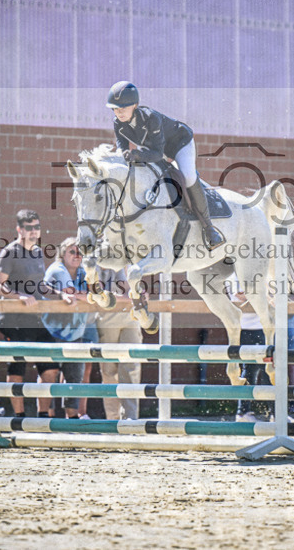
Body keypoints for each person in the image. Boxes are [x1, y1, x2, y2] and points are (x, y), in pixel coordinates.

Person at [107, 80, 225, 250]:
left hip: (179, 143)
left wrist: (137, 155)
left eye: (123, 108)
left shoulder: (151, 118)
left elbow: (156, 153)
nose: (119, 112)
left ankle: (209, 229)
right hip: (152, 147)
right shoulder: (118, 123)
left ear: (135, 105)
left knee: (188, 177)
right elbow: (122, 150)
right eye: (116, 108)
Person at [0, 209, 57, 419]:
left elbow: (41, 286)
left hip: (36, 319)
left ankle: (43, 415)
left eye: (37, 227)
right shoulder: (10, 252)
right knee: (18, 367)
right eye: (29, 228)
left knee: (51, 367)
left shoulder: (38, 252)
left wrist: (61, 294)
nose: (33, 231)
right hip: (14, 320)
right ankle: (19, 416)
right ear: (19, 229)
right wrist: (18, 296)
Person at [44, 237, 89, 419]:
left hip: (75, 332)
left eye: (79, 252)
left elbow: (95, 292)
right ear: (62, 255)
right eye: (72, 251)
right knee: (49, 374)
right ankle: (45, 419)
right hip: (51, 331)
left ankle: (71, 421)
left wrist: (90, 295)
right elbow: (72, 294)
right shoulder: (57, 270)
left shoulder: (83, 272)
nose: (77, 255)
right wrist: (88, 296)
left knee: (74, 377)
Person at [93, 267, 140, 420]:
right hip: (107, 317)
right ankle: (113, 420)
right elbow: (100, 295)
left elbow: (137, 292)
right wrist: (128, 296)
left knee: (131, 368)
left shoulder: (128, 259)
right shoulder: (98, 261)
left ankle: (130, 419)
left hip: (130, 316)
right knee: (109, 370)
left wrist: (129, 296)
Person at [228, 274, 269, 422]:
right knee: (248, 370)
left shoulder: (260, 271)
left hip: (262, 327)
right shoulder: (233, 275)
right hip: (243, 328)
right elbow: (239, 298)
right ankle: (243, 412)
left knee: (267, 369)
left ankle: (275, 413)